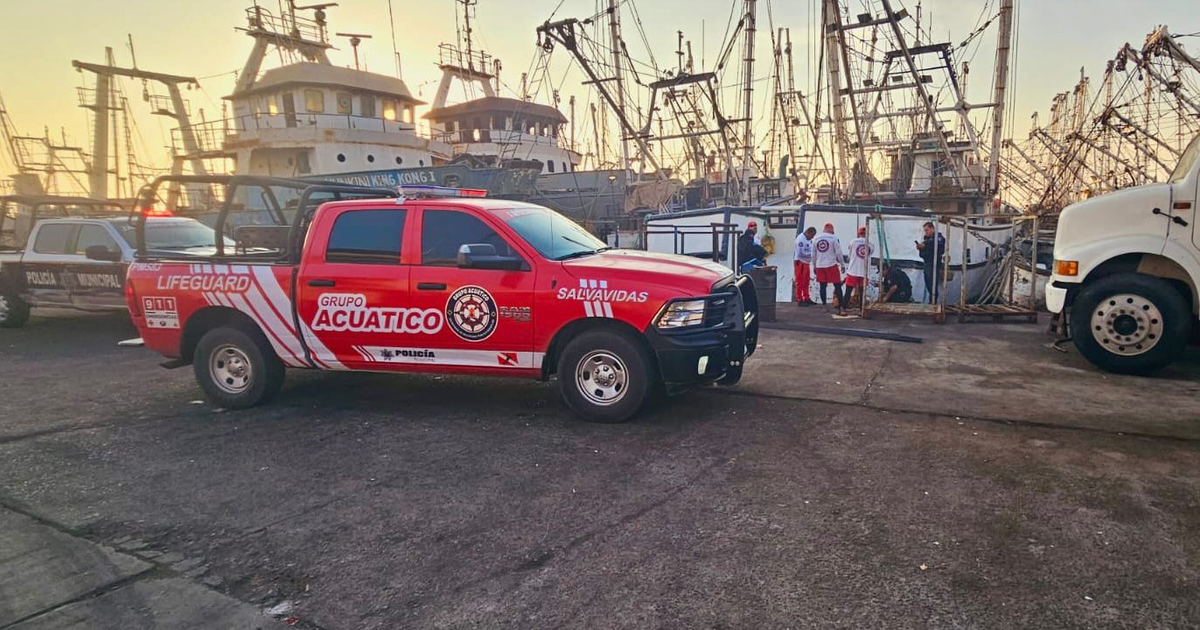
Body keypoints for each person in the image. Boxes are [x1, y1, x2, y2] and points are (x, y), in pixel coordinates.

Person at [810, 223, 848, 316]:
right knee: (837, 286)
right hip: (831, 264)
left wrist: (814, 266)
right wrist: (842, 264)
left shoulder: (816, 239)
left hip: (820, 265)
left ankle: (824, 306)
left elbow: (813, 255)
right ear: (832, 230)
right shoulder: (834, 238)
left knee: (822, 286)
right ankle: (841, 308)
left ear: (824, 230)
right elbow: (839, 253)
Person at [916, 221, 946, 303]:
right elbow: (922, 254)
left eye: (927, 230)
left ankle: (933, 302)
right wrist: (921, 248)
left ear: (932, 228)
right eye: (925, 230)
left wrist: (925, 246)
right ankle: (932, 302)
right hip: (927, 263)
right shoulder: (926, 239)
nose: (926, 232)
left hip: (934, 264)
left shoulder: (938, 237)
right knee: (928, 284)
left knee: (932, 284)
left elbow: (939, 248)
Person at [844, 226, 873, 309]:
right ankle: (861, 309)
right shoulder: (871, 244)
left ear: (858, 233)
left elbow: (849, 255)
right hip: (864, 272)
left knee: (848, 291)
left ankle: (843, 309)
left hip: (853, 270)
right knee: (862, 292)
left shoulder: (853, 242)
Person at [793, 226, 816, 306]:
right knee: (800, 281)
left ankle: (806, 297)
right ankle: (800, 299)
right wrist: (811, 255)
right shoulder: (801, 240)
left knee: (806, 281)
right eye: (812, 236)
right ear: (808, 233)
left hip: (806, 262)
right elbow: (800, 253)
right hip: (800, 262)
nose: (812, 238)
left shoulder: (808, 240)